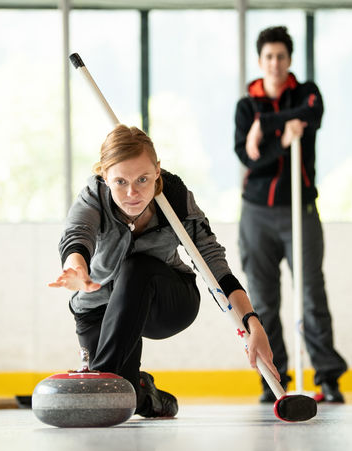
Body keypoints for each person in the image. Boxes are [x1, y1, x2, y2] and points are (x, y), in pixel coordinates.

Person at [50, 124, 280, 417]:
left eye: (143, 179)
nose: (132, 193)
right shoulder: (93, 197)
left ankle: (101, 384)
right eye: (120, 181)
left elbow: (215, 266)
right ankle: (143, 393)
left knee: (136, 268)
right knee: (123, 394)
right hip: (101, 308)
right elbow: (77, 236)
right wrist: (77, 269)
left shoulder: (175, 200)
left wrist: (252, 323)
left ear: (157, 170)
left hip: (166, 301)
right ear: (104, 176)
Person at [233, 26, 348, 404]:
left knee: (312, 295)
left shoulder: (305, 93)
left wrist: (266, 126)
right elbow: (249, 158)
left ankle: (328, 377)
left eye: (281, 56)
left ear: (290, 59)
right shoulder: (246, 106)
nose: (275, 63)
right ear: (260, 60)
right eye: (269, 57)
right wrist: (282, 138)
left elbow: (312, 113)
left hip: (301, 210)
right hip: (257, 214)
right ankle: (273, 378)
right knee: (264, 301)